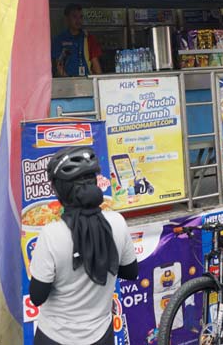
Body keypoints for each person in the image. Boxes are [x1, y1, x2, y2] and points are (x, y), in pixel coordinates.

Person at [29, 146, 138, 345]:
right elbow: (130, 272)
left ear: (60, 190)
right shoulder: (117, 223)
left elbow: (37, 296)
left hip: (55, 337)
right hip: (101, 336)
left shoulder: (51, 234)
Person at [51, 3, 103, 77]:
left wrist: (100, 80)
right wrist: (69, 81)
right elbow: (59, 66)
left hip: (87, 80)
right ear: (67, 18)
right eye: (74, 17)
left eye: (81, 17)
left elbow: (96, 64)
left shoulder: (88, 38)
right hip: (67, 81)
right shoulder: (59, 40)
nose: (78, 20)